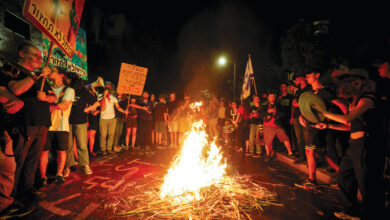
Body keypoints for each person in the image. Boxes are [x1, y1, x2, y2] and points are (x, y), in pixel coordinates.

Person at [313, 68, 385, 219]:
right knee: (344, 177)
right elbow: (349, 126)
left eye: (348, 82)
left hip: (367, 146)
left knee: (367, 185)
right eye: (344, 82)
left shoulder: (368, 99)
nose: (344, 86)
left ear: (359, 83)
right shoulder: (355, 101)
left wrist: (323, 113)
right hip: (354, 146)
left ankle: (372, 215)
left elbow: (347, 119)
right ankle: (351, 211)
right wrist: (328, 125)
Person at [8, 44, 56, 201]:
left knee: (33, 159)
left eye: (41, 57)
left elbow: (53, 97)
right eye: (36, 55)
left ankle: (27, 188)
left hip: (42, 123)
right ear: (22, 53)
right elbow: (15, 90)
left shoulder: (41, 77)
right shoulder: (12, 69)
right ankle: (11, 193)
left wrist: (46, 98)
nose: (40, 59)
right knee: (17, 160)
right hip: (23, 123)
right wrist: (35, 75)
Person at [298, 71, 336, 187]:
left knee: (314, 151)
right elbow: (304, 110)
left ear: (317, 75)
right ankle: (312, 178)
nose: (307, 77)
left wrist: (332, 119)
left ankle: (313, 179)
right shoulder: (309, 92)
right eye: (306, 75)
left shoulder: (325, 92)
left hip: (318, 127)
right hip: (309, 127)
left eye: (309, 75)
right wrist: (301, 119)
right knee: (312, 152)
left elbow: (340, 107)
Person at [39, 67, 75, 186]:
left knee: (61, 151)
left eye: (52, 70)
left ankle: (59, 174)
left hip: (61, 125)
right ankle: (43, 176)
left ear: (61, 75)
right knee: (43, 151)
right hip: (46, 124)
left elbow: (63, 106)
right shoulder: (46, 88)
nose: (49, 71)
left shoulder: (69, 90)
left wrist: (46, 104)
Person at [63, 76, 97, 177]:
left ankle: (85, 165)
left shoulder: (84, 91)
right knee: (68, 145)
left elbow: (96, 103)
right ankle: (68, 166)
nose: (67, 81)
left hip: (80, 121)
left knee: (81, 144)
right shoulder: (67, 90)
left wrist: (87, 110)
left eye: (69, 79)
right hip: (67, 121)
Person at [261, 92, 293, 161]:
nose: (272, 98)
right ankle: (268, 155)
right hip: (268, 125)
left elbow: (284, 114)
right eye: (270, 97)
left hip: (277, 125)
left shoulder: (278, 105)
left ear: (275, 98)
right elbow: (261, 114)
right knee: (268, 141)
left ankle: (290, 153)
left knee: (285, 137)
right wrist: (268, 111)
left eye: (273, 97)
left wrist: (277, 112)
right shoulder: (264, 105)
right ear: (268, 98)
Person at [99, 83, 127, 155]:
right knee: (103, 135)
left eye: (109, 88)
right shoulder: (100, 96)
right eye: (107, 88)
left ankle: (109, 149)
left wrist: (124, 111)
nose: (108, 89)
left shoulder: (113, 98)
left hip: (112, 119)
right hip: (103, 119)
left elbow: (118, 107)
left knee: (111, 135)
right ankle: (103, 149)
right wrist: (104, 96)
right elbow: (102, 108)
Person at [291, 75, 311, 164]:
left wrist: (299, 104)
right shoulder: (298, 91)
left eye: (297, 79)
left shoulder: (309, 89)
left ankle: (310, 159)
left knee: (307, 138)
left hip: (306, 116)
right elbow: (294, 102)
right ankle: (302, 157)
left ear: (302, 79)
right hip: (296, 116)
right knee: (299, 138)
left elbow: (309, 101)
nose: (295, 81)